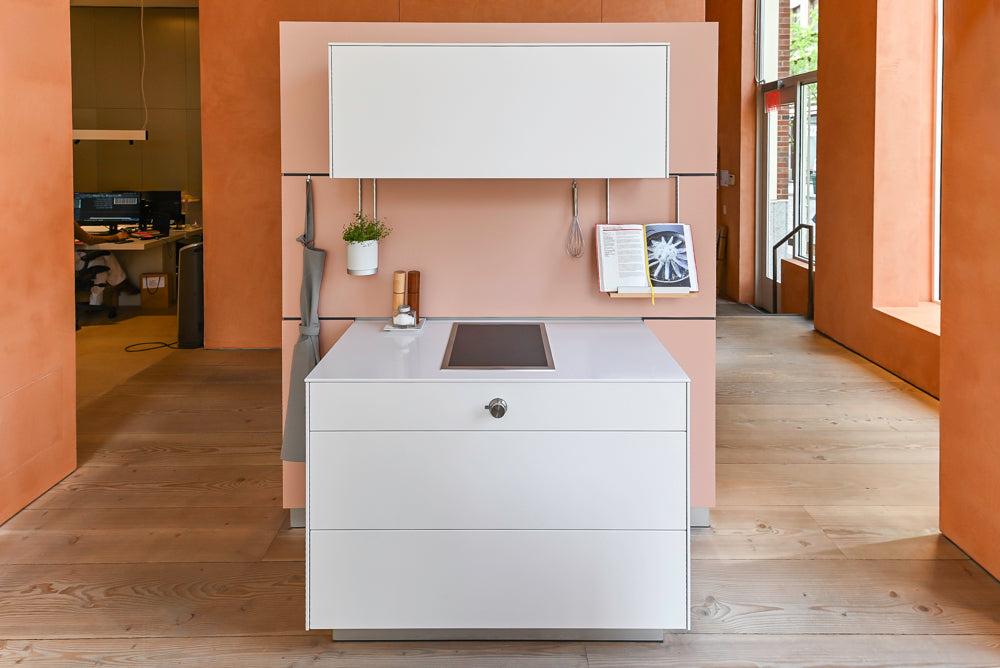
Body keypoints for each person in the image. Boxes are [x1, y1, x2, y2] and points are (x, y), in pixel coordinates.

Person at [74, 222, 137, 305]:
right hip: (74, 264)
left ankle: (96, 302)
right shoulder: (68, 221)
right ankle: (120, 283)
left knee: (101, 258)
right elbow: (90, 240)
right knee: (104, 257)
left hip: (59, 265)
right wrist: (116, 237)